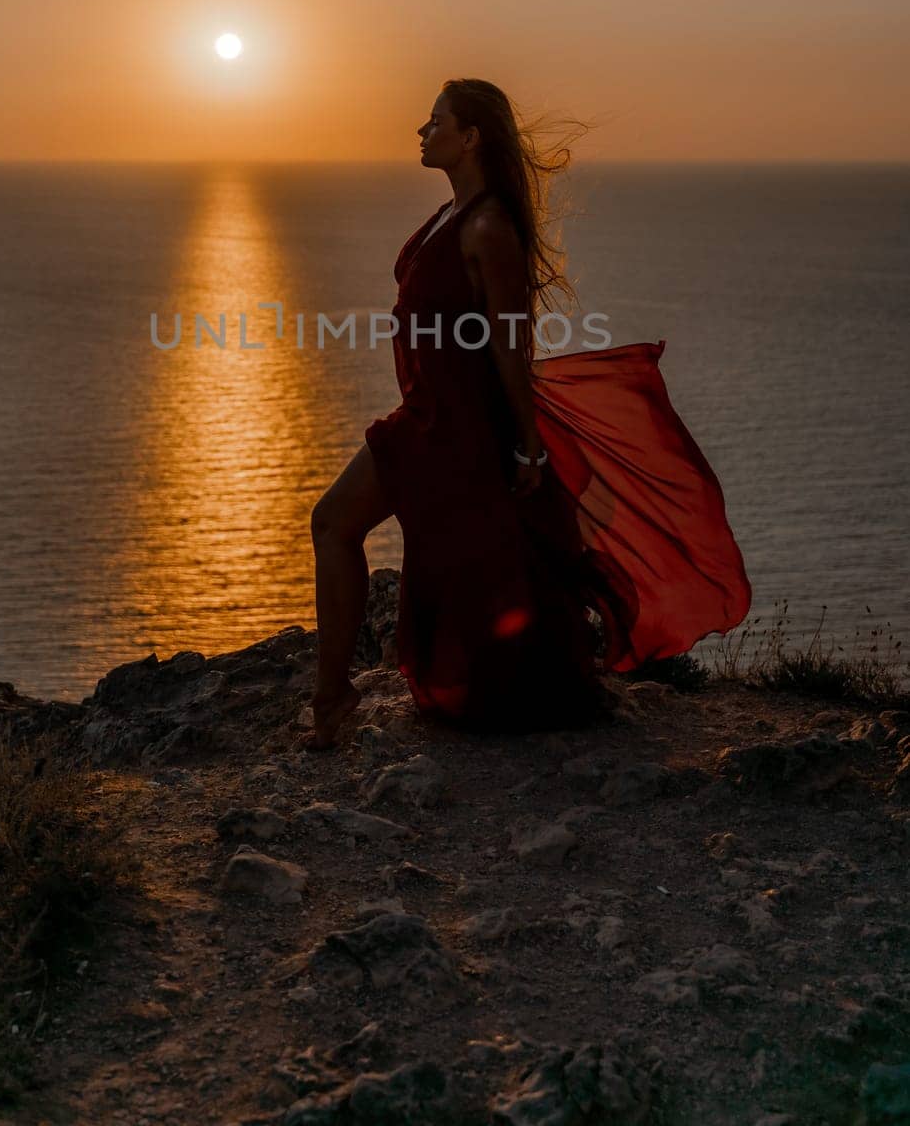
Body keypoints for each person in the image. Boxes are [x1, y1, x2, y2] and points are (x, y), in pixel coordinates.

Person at [300, 78, 753, 749]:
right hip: (428, 412)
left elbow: (511, 343)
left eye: (435, 121)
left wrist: (528, 443)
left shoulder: (487, 228)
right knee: (415, 550)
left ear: (471, 136)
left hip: (454, 425)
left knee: (335, 522)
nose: (421, 132)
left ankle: (333, 700)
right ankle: (341, 696)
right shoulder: (451, 215)